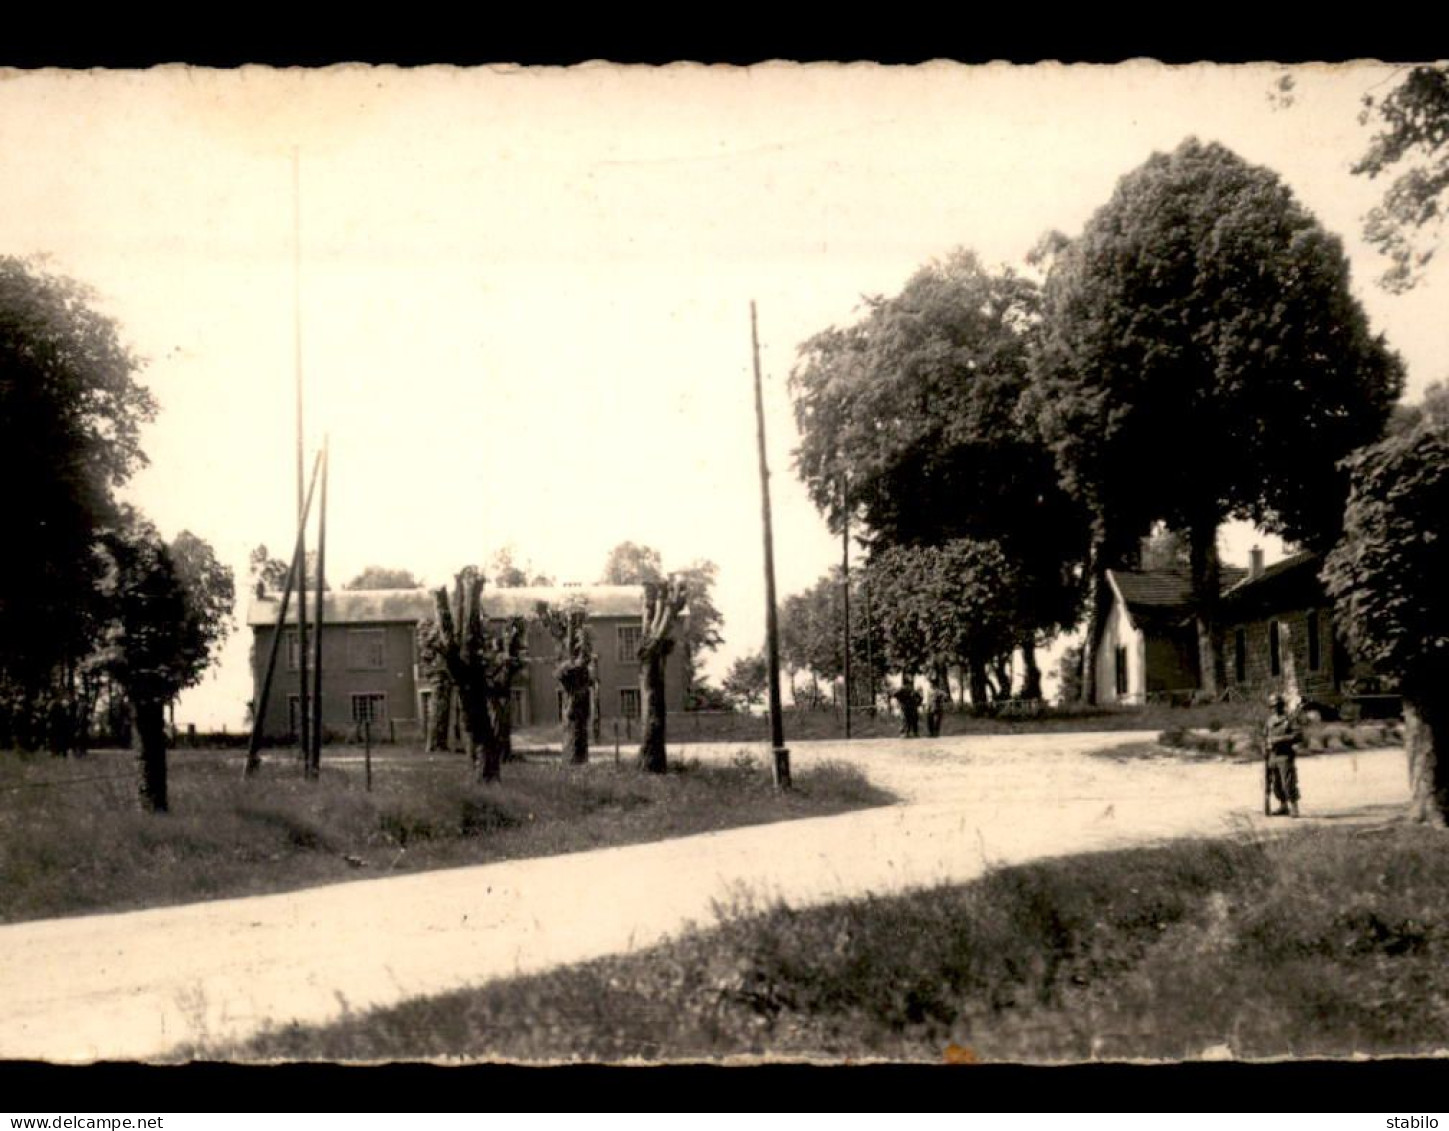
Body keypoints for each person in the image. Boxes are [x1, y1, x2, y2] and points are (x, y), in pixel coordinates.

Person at [1263, 692, 1302, 817]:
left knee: (1288, 782)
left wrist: (1278, 740)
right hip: (1272, 755)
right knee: (1275, 783)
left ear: (1282, 705)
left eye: (1278, 705)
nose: (1275, 708)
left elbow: (1297, 736)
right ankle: (1283, 806)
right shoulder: (1270, 721)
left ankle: (1294, 806)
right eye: (1273, 706)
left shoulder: (1289, 719)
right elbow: (1265, 736)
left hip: (1285, 754)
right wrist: (1265, 748)